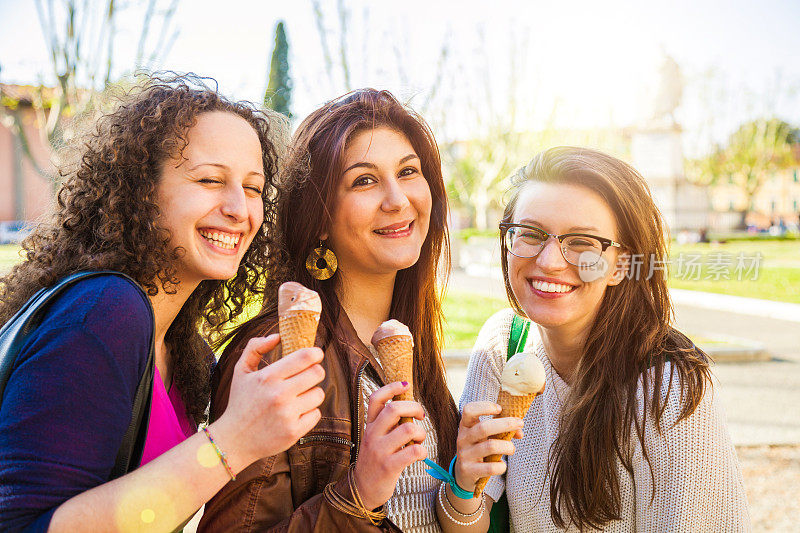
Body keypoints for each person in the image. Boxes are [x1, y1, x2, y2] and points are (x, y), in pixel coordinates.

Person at [0, 74, 326, 532]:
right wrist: (234, 439)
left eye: (253, 188)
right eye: (210, 179)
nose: (239, 208)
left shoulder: (186, 353)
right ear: (141, 189)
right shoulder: (105, 311)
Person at [445, 147, 750, 531]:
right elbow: (465, 523)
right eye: (530, 234)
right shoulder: (502, 346)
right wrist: (464, 484)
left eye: (583, 243)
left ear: (621, 265)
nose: (550, 261)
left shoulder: (668, 391)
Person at [198, 88, 460, 532]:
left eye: (409, 172)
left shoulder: (411, 341)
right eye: (364, 180)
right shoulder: (280, 355)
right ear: (319, 217)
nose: (397, 199)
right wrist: (359, 493)